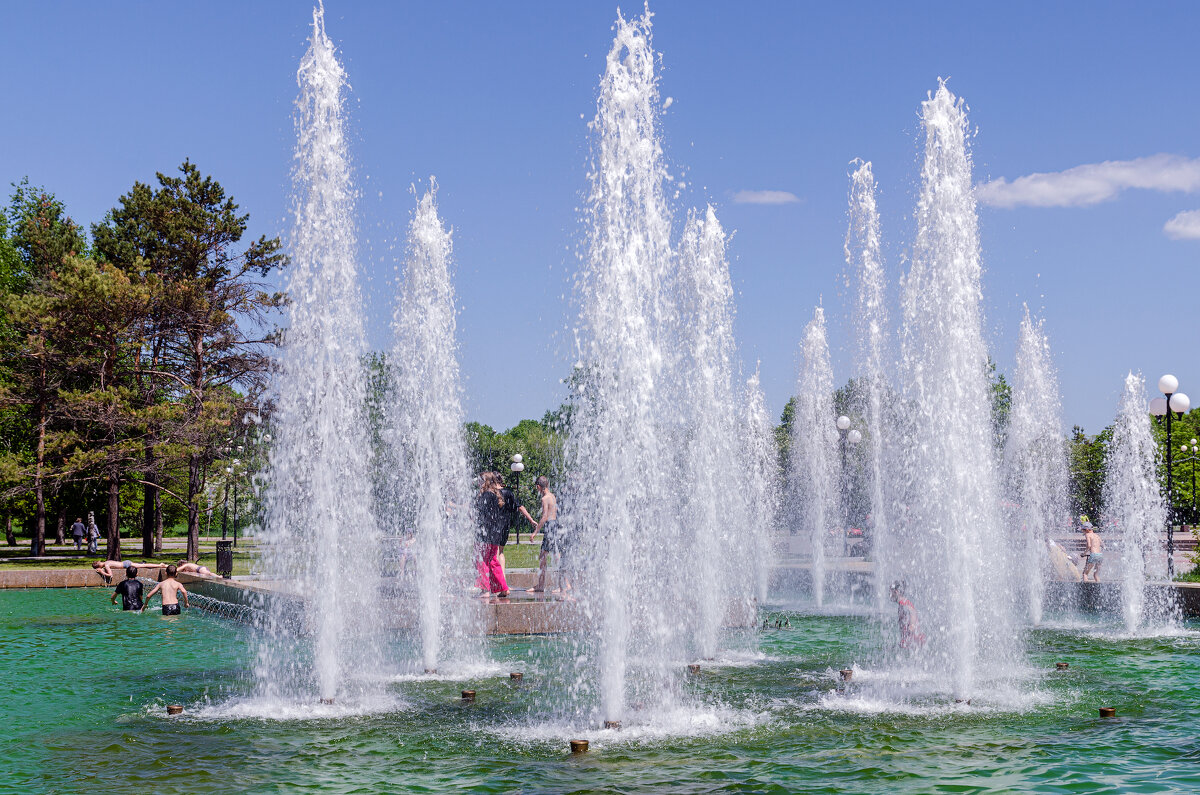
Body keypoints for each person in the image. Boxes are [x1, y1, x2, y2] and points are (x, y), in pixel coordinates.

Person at [518, 476, 570, 594]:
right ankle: (564, 584)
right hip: (555, 526)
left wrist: (535, 532)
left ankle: (544, 586)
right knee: (556, 555)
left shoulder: (545, 499)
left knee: (543, 557)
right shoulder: (553, 496)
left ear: (538, 487)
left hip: (550, 527)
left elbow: (545, 516)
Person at [474, 472, 509, 598]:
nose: (478, 483)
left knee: (481, 560)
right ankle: (503, 588)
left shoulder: (485, 495)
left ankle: (485, 589)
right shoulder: (495, 495)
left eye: (480, 480)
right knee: (493, 561)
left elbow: (479, 514)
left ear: (485, 482)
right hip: (495, 533)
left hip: (484, 533)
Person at [889, 580, 926, 649]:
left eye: (891, 592)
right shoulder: (902, 603)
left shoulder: (903, 603)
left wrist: (912, 625)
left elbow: (913, 612)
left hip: (913, 639)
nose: (890, 595)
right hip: (911, 639)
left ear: (896, 592)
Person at [92, 559, 166, 585]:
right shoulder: (107, 562)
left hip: (126, 564)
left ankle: (160, 565)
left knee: (144, 566)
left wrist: (101, 572)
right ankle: (159, 565)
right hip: (125, 563)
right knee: (143, 565)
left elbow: (110, 575)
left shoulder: (106, 565)